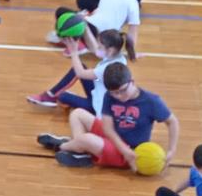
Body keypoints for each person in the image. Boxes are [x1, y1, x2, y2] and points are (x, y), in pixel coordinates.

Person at [37, 63, 178, 169]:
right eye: (114, 93)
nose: (119, 96)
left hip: (128, 153)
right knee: (77, 114)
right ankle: (80, 151)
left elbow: (172, 122)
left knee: (85, 139)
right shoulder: (109, 96)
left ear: (132, 82)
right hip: (114, 139)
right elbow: (108, 128)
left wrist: (171, 150)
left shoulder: (151, 101)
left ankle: (63, 146)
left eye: (122, 91)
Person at [27, 30, 136, 114]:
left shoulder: (107, 68)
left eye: (100, 46)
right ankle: (50, 96)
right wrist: (86, 30)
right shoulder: (118, 57)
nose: (97, 48)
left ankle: (57, 98)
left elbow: (80, 73)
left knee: (63, 96)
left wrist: (73, 51)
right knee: (81, 67)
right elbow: (95, 50)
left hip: (98, 107)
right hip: (101, 93)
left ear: (110, 50)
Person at [51, 0, 142, 57]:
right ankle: (80, 42)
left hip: (91, 28)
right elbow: (132, 31)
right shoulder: (133, 2)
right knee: (79, 21)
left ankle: (75, 40)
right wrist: (132, 52)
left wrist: (84, 16)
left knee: (61, 11)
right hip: (104, 38)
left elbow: (98, 13)